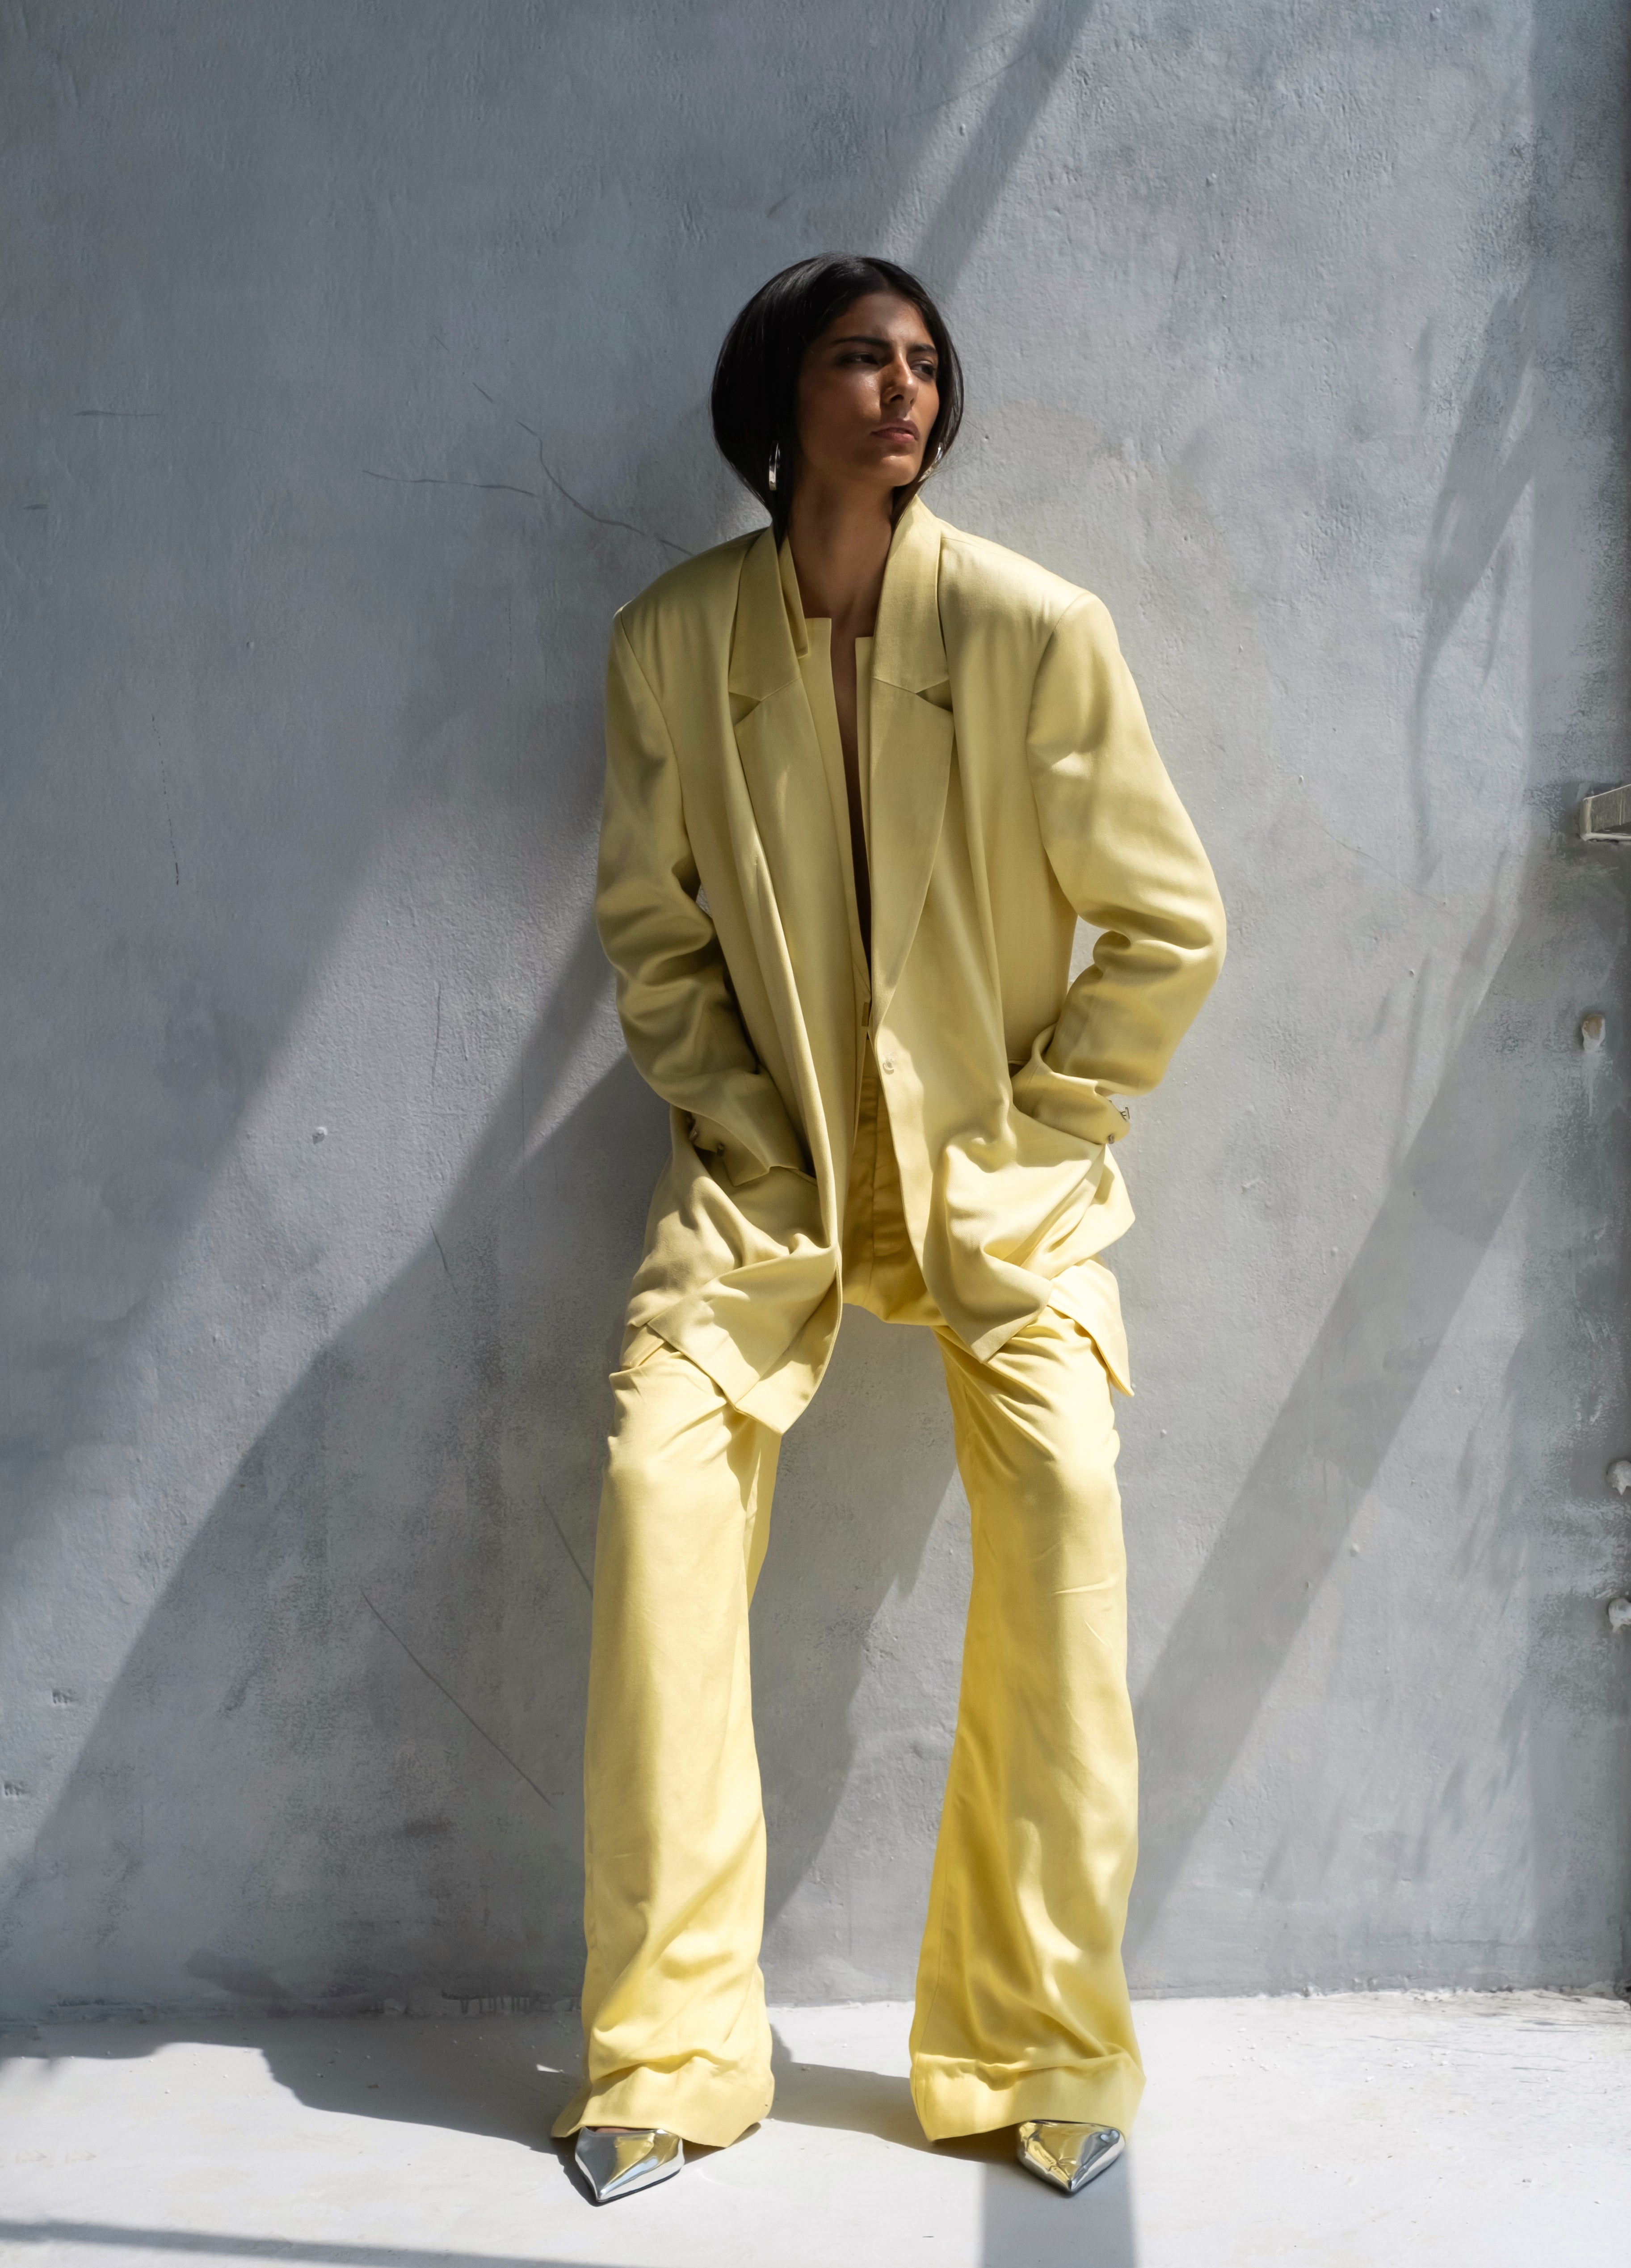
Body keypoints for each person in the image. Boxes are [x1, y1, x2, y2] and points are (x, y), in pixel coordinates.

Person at [554, 254, 1226, 2205]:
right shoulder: (670, 640)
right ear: (781, 392)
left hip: (998, 1182)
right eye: (862, 357)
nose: (904, 389)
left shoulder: (1034, 627)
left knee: (1065, 1502)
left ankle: (1036, 2049)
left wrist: (1040, 1129)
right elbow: (653, 927)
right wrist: (742, 1120)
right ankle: (667, 2051)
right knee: (656, 1497)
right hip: (765, 1170)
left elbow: (1167, 926)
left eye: (925, 361)